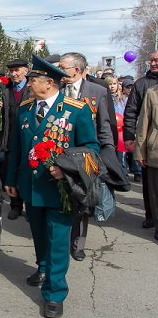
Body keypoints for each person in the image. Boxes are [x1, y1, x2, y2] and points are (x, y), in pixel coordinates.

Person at [5, 55, 99, 318]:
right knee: (38, 234)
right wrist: (11, 180)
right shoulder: (25, 108)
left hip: (60, 190)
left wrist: (67, 167)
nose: (29, 83)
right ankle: (43, 268)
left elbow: (91, 149)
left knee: (58, 241)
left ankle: (55, 293)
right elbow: (16, 149)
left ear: (49, 84)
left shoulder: (76, 110)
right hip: (31, 186)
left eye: (33, 80)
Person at [59, 52, 115, 262]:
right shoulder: (58, 89)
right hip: (61, 153)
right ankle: (62, 238)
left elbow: (104, 125)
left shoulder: (97, 91)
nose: (59, 70)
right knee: (64, 199)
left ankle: (78, 243)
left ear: (76, 70)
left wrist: (106, 152)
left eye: (63, 67)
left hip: (86, 155)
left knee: (82, 201)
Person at [124, 50, 158, 228]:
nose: (153, 63)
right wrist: (129, 137)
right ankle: (151, 214)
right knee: (150, 185)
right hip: (149, 143)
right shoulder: (142, 84)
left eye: (157, 60)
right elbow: (131, 112)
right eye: (151, 60)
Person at [4, 59, 31, 220]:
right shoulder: (5, 90)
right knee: (11, 171)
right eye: (11, 71)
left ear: (25, 71)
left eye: (17, 70)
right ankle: (15, 205)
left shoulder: (32, 88)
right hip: (9, 138)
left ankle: (29, 206)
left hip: (27, 139)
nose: (14, 74)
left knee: (27, 172)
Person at [134, 84, 158, 241]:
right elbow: (143, 123)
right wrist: (140, 152)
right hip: (155, 152)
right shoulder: (152, 93)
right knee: (155, 194)